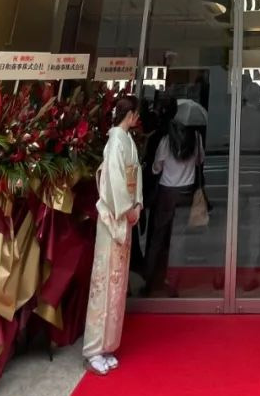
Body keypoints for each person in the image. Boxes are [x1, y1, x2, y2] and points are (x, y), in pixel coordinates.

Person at [83, 94, 142, 376]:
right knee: (104, 282)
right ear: (130, 115)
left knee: (115, 285)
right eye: (136, 114)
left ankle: (107, 345)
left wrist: (136, 204)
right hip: (113, 218)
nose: (137, 119)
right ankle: (94, 348)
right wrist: (128, 208)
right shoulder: (116, 141)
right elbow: (114, 182)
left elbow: (133, 177)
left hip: (124, 215)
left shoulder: (125, 140)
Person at [142, 113, 204, 296]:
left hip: (167, 191)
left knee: (158, 237)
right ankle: (173, 281)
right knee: (179, 238)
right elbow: (200, 161)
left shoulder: (166, 141)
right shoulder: (196, 138)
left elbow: (156, 167)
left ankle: (150, 280)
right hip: (186, 192)